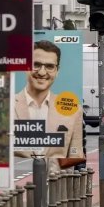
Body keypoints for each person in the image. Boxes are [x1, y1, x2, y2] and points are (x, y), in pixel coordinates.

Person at [13, 40, 84, 168]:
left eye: (49, 66)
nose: (41, 72)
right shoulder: (5, 107)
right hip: (18, 186)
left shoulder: (73, 110)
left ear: (57, 71)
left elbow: (75, 156)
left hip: (56, 185)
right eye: (36, 64)